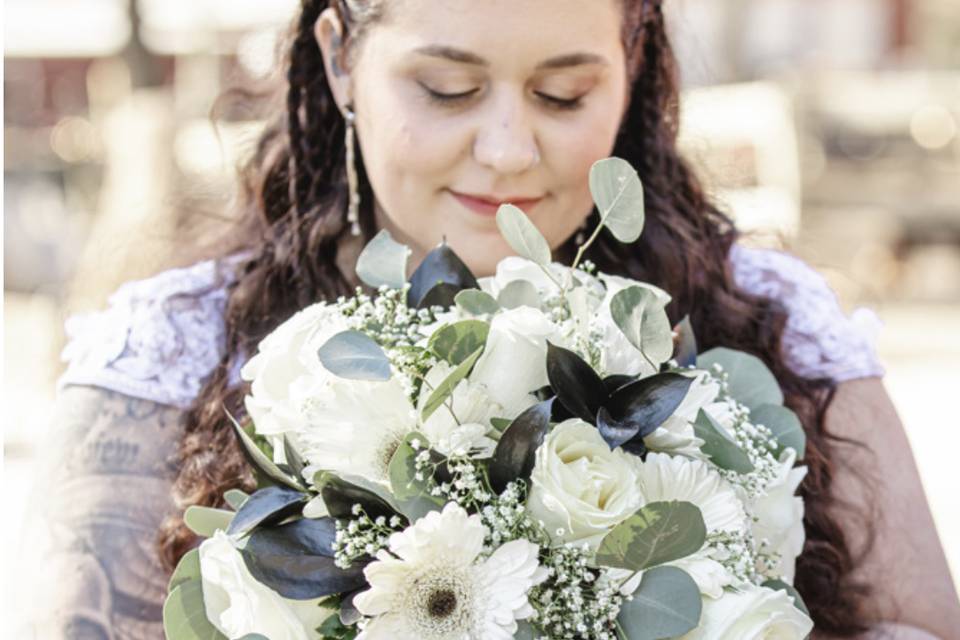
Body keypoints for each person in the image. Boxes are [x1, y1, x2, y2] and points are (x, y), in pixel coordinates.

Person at [19, 1, 958, 638]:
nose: (509, 149)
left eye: (564, 93)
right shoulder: (169, 354)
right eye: (447, 88)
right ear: (342, 56)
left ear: (632, 62)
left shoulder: (772, 321)